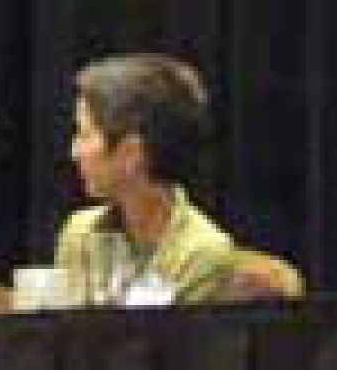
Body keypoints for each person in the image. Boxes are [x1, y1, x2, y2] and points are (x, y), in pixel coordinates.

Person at [55, 53, 250, 304]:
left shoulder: (202, 253)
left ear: (131, 152)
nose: (74, 152)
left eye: (85, 134)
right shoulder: (79, 234)